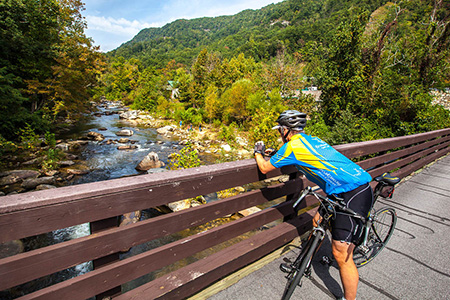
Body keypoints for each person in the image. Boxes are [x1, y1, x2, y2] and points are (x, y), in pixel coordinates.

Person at [254, 110, 373, 300]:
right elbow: (307, 156)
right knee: (317, 222)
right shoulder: (312, 140)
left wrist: (258, 152)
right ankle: (305, 263)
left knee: (341, 253)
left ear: (285, 130)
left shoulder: (292, 147)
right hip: (341, 189)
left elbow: (264, 167)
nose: (279, 133)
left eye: (280, 130)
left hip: (353, 191)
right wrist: (277, 153)